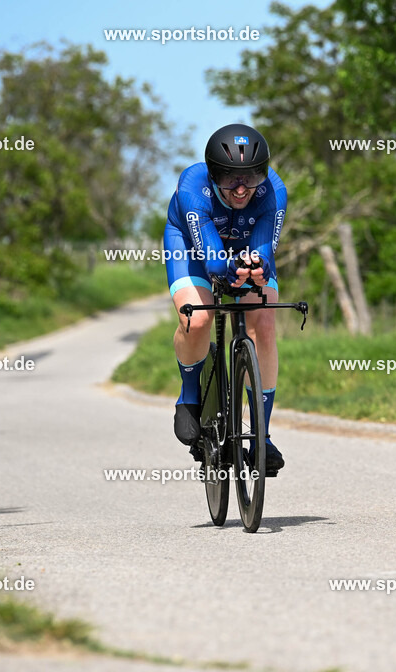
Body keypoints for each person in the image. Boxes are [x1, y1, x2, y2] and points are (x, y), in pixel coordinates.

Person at [163, 123, 287, 475]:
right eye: (231, 177)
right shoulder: (193, 185)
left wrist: (257, 268)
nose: (241, 188)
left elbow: (263, 249)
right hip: (189, 246)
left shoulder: (273, 191)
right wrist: (229, 273)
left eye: (251, 177)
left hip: (243, 244)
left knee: (262, 322)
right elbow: (215, 262)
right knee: (198, 318)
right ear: (213, 173)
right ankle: (189, 395)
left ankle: (261, 434)